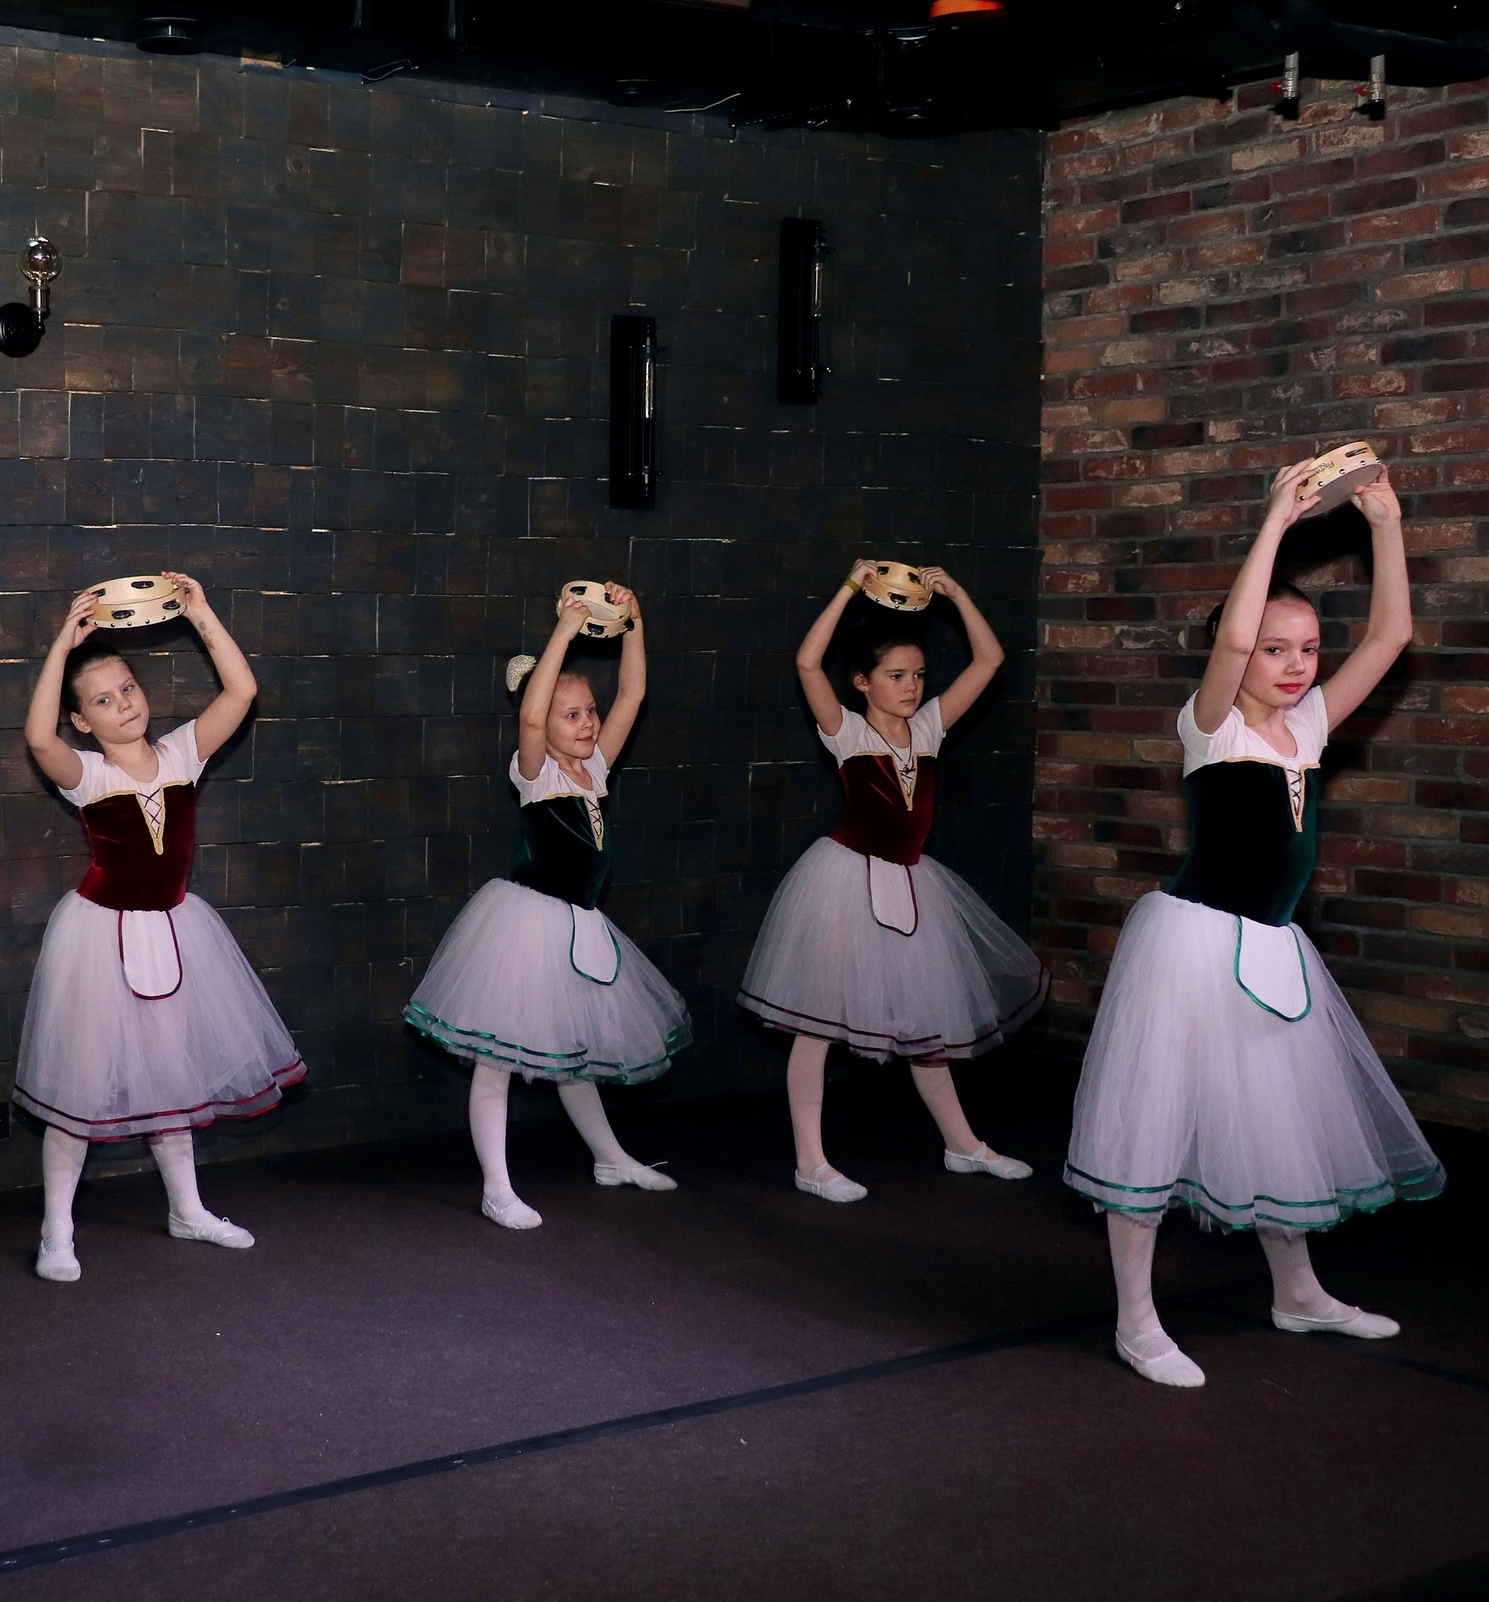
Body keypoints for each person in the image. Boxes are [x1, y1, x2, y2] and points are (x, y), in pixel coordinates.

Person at [1065, 459, 1443, 1388]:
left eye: (1308, 649)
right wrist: (1277, 519)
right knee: (1150, 1130)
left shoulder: (1307, 727)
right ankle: (1138, 1320)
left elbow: (1393, 634)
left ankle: (1298, 1291)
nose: (1295, 666)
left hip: (1274, 949)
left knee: (1279, 1120)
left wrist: (1385, 525)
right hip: (1192, 947)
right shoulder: (1210, 725)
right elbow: (1233, 635)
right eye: (1276, 650)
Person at [14, 577, 305, 1281]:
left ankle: (187, 1208)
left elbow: (240, 693)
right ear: (81, 720)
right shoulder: (83, 773)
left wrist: (202, 613)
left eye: (128, 689)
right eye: (103, 700)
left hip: (174, 934)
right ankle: (57, 1230)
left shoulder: (181, 754)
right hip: (99, 941)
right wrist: (63, 643)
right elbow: (34, 735)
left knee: (170, 1074)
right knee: (78, 1085)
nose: (123, 705)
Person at [736, 565, 1046, 1202]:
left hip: (911, 887)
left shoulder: (929, 727)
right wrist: (848, 588)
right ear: (862, 682)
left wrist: (957, 593)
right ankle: (811, 1162)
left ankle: (963, 1144)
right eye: (896, 676)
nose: (911, 687)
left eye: (918, 675)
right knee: (815, 1025)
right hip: (843, 885)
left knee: (928, 1024)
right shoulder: (847, 732)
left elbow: (989, 660)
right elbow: (805, 663)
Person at [404, 585, 693, 1230]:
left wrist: (634, 622)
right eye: (573, 715)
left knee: (574, 1052)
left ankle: (611, 1158)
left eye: (589, 712)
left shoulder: (597, 769)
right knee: (498, 1060)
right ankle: (497, 1187)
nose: (587, 723)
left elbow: (634, 695)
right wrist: (563, 632)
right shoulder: (536, 771)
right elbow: (532, 721)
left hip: (581, 928)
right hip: (525, 927)